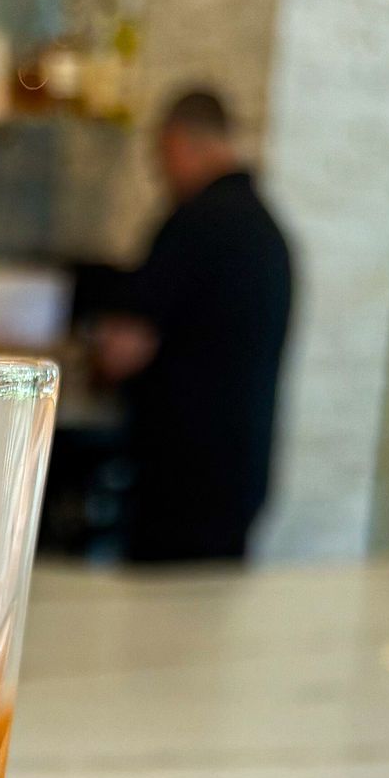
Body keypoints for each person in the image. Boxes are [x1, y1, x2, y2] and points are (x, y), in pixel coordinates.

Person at [94, 88, 293, 565]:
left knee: (152, 612)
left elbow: (124, 349)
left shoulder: (194, 223)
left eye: (161, 158)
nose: (160, 174)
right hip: (243, 474)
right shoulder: (269, 231)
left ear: (181, 143)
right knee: (212, 609)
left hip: (179, 478)